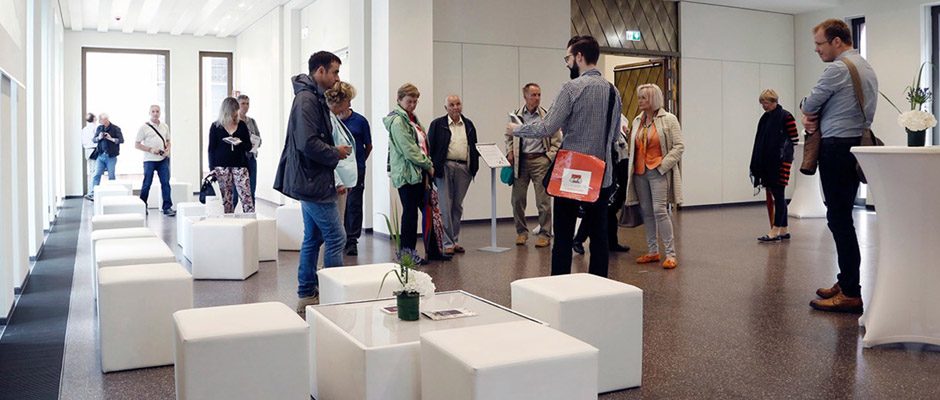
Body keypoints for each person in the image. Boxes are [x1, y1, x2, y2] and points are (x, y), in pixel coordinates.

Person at [508, 35, 621, 277]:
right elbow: (614, 136)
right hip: (601, 172)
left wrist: (517, 129)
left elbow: (547, 127)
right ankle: (599, 283)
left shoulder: (571, 88)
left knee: (563, 233)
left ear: (579, 57)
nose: (567, 63)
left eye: (568, 58)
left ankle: (560, 283)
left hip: (571, 172)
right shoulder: (614, 92)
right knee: (599, 235)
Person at [802, 19, 877, 314]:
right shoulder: (865, 66)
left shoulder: (837, 69)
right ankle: (846, 281)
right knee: (842, 217)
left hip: (836, 148)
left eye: (819, 44)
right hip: (854, 146)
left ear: (836, 41)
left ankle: (850, 293)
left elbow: (809, 105)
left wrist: (807, 111)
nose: (817, 50)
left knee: (839, 219)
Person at [273, 51, 351, 313]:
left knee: (314, 237)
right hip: (312, 181)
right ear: (320, 71)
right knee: (336, 237)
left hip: (312, 179)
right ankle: (332, 295)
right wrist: (335, 153)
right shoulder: (307, 99)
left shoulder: (311, 97)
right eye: (335, 72)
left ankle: (307, 293)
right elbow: (308, 143)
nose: (337, 78)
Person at [384, 83, 451, 265]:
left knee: (429, 211)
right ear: (399, 100)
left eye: (415, 101)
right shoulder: (398, 122)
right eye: (409, 101)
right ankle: (408, 255)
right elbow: (410, 150)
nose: (412, 105)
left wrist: (427, 166)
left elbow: (422, 144)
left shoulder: (412, 119)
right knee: (410, 214)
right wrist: (428, 165)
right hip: (408, 174)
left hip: (420, 173)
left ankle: (434, 251)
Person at [625, 84, 684, 269]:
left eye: (644, 97)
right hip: (639, 172)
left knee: (660, 210)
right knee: (647, 211)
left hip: (658, 171)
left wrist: (663, 166)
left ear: (654, 99)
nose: (640, 100)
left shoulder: (669, 119)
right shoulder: (637, 120)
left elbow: (679, 146)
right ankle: (652, 251)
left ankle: (671, 254)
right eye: (639, 97)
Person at [507, 83, 562, 248]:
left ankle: (545, 234)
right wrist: (510, 151)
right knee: (517, 200)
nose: (537, 98)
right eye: (533, 95)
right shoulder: (516, 116)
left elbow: (557, 140)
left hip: (540, 161)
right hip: (521, 161)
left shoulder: (547, 116)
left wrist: (548, 158)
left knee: (543, 201)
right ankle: (521, 233)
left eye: (539, 94)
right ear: (525, 96)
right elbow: (508, 136)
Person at [428, 95, 479, 255]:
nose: (455, 107)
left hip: (464, 168)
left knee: (457, 205)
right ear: (446, 108)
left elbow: (474, 147)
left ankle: (455, 240)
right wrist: (432, 168)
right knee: (445, 205)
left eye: (458, 104)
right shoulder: (438, 124)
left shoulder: (469, 124)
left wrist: (473, 168)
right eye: (451, 104)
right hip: (444, 167)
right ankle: (447, 242)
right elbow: (430, 147)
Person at [574, 114, 631, 254]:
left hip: (622, 163)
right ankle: (579, 239)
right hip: (609, 165)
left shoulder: (622, 118)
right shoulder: (600, 117)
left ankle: (612, 242)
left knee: (613, 206)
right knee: (601, 206)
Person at [749, 89, 798, 242]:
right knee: (777, 194)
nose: (764, 106)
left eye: (766, 103)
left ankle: (775, 230)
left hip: (781, 161)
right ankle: (784, 229)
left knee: (779, 193)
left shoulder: (786, 116)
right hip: (768, 162)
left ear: (774, 101)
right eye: (762, 103)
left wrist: (780, 152)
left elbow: (794, 139)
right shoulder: (765, 118)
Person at [208, 97, 254, 214]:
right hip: (221, 166)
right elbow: (211, 149)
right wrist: (212, 168)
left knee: (246, 197)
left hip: (240, 165)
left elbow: (248, 146)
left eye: (236, 110)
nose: (235, 113)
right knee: (226, 199)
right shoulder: (216, 126)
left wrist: (239, 142)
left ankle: (250, 219)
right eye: (233, 110)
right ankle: (228, 221)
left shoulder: (242, 125)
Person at [341, 90, 373, 256]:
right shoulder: (331, 121)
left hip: (357, 168)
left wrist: (359, 162)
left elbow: (368, 146)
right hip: (338, 169)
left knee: (354, 203)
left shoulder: (360, 121)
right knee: (339, 204)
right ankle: (339, 237)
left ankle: (352, 240)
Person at [325, 81, 359, 224]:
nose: (349, 105)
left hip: (341, 182)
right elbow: (326, 153)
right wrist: (338, 182)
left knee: (338, 224)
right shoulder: (329, 120)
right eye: (348, 100)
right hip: (336, 184)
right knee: (336, 228)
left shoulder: (334, 119)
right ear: (340, 100)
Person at [135, 105, 175, 216]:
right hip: (149, 160)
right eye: (153, 111)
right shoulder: (144, 127)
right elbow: (137, 145)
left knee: (165, 183)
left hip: (163, 160)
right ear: (149, 113)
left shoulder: (164, 126)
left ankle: (167, 207)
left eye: (157, 111)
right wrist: (150, 149)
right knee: (147, 184)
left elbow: (168, 141)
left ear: (160, 113)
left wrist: (168, 149)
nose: (155, 113)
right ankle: (143, 206)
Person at [231, 94, 261, 209]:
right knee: (234, 193)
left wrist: (255, 142)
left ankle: (250, 214)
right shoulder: (233, 122)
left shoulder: (252, 122)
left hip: (251, 158)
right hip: (237, 160)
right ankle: (229, 215)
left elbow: (259, 139)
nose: (245, 106)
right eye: (243, 103)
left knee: (251, 190)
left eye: (247, 103)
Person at [90, 113, 124, 197]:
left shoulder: (116, 128)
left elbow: (121, 140)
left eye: (101, 120)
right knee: (96, 174)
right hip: (100, 155)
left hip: (111, 156)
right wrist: (99, 138)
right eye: (100, 120)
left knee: (111, 175)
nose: (100, 122)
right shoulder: (99, 128)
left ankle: (112, 194)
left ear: (106, 119)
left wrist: (110, 138)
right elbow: (94, 140)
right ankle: (93, 193)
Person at [82, 113, 99, 200]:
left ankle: (91, 192)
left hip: (87, 151)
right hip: (94, 150)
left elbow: (83, 141)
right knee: (94, 173)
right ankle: (91, 193)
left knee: (92, 172)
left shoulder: (84, 129)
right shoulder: (95, 128)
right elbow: (96, 140)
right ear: (94, 118)